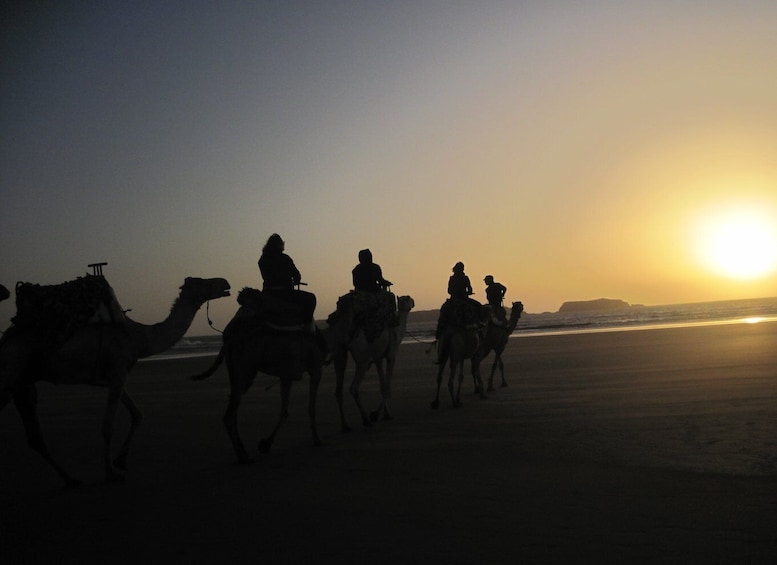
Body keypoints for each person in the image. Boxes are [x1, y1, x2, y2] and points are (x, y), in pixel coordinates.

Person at [257, 233, 316, 325]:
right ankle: (307, 325)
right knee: (311, 299)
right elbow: (296, 275)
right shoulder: (285, 258)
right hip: (285, 294)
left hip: (267, 293)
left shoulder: (262, 259)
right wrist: (296, 280)